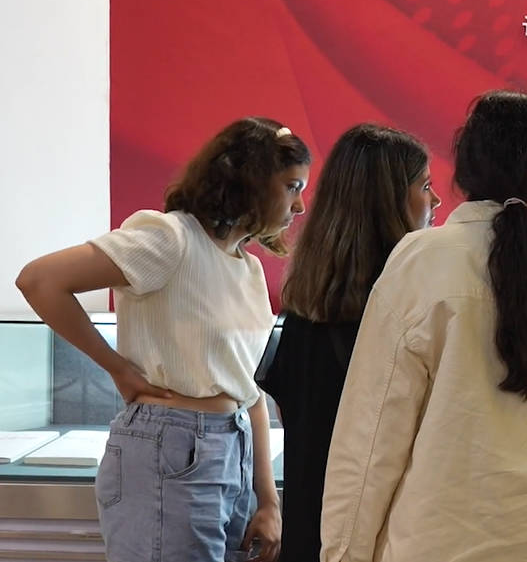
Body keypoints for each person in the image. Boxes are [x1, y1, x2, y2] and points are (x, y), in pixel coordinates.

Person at [320, 91, 527, 562]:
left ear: (466, 167)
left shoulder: (421, 261)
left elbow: (370, 438)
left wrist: (343, 554)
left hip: (435, 546)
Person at [16, 117, 311, 562]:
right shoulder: (171, 237)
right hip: (171, 447)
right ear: (253, 178)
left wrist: (268, 501)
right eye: (292, 187)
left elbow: (247, 392)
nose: (300, 205)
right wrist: (116, 367)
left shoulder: (247, 268)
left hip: (234, 451)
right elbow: (40, 280)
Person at [259, 123, 439, 562]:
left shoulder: (303, 308)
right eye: (425, 186)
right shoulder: (403, 309)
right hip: (378, 535)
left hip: (309, 529)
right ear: (388, 201)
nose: (435, 200)